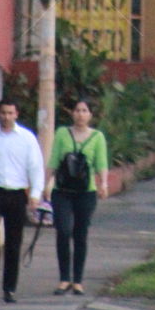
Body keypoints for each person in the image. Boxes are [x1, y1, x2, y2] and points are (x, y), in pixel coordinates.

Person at [0, 98, 45, 304]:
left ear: (16, 114)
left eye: (10, 113)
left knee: (13, 242)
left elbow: (35, 167)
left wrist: (36, 193)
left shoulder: (27, 138)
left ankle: (10, 287)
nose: (6, 117)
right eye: (3, 113)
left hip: (17, 193)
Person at [45, 99, 109, 297]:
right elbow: (54, 160)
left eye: (84, 111)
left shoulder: (97, 137)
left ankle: (78, 280)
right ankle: (64, 278)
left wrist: (103, 183)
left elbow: (101, 163)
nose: (80, 114)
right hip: (62, 191)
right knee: (63, 231)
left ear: (90, 115)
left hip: (86, 193)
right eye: (77, 110)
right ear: (72, 113)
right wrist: (44, 185)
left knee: (80, 235)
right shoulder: (62, 133)